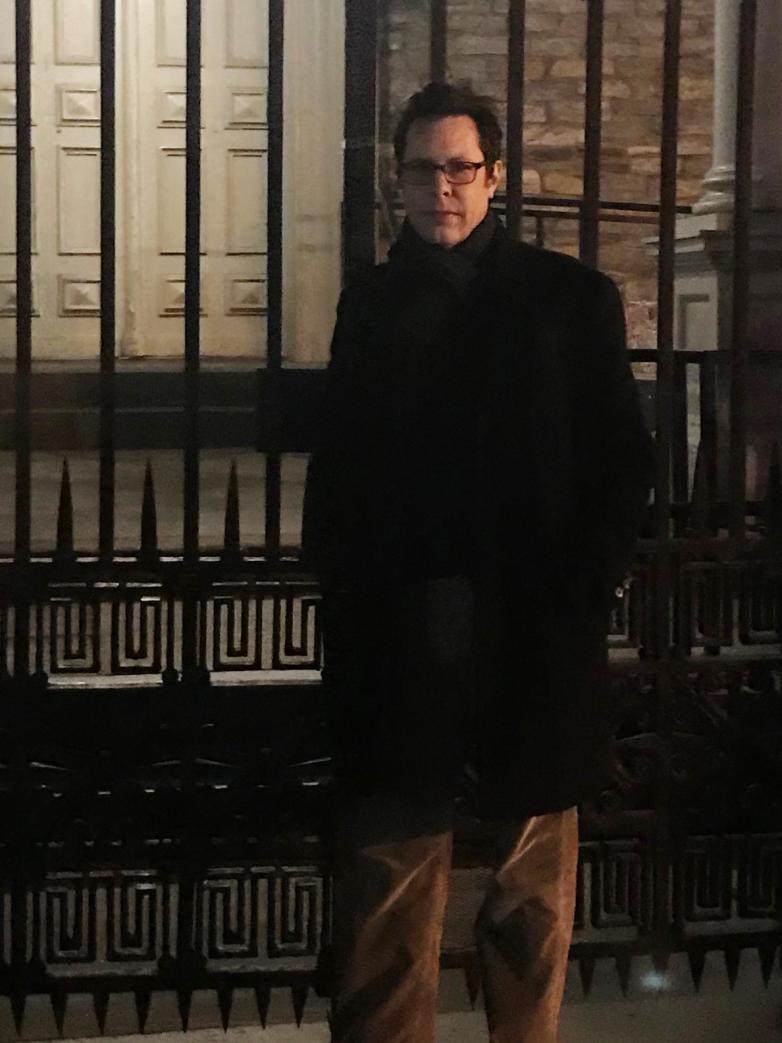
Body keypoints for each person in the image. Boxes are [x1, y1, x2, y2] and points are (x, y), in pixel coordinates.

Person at [303, 81, 654, 1043]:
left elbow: (622, 457)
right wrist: (345, 589)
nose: (441, 188)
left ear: (495, 177)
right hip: (403, 628)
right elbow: (340, 466)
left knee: (532, 898)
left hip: (534, 624)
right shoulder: (373, 304)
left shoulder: (569, 299)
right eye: (422, 169)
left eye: (460, 167)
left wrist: (589, 582)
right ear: (398, 180)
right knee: (388, 899)